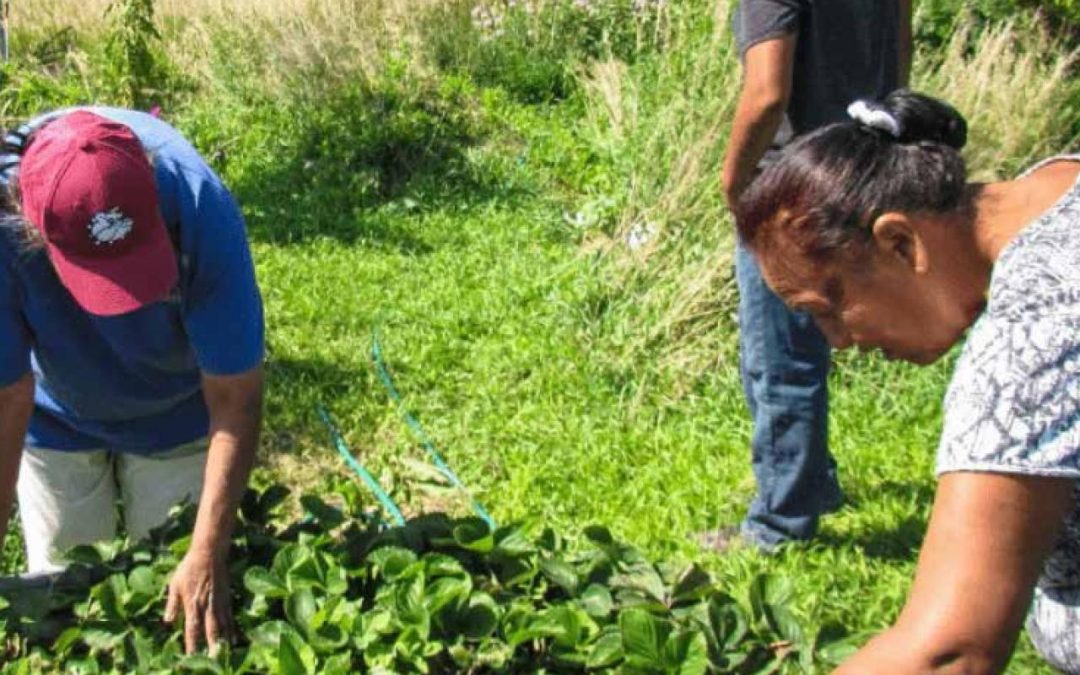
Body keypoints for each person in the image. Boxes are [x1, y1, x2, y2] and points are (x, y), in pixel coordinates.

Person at [735, 88, 1080, 672]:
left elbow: (948, 653)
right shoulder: (1057, 183)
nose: (838, 341)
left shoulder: (1029, 343)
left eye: (827, 307)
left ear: (899, 241)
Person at [0, 108, 265, 654]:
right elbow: (7, 397)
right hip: (56, 420)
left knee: (175, 599)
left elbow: (235, 397)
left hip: (178, 415)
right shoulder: (4, 231)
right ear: (31, 228)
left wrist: (207, 551)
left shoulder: (198, 204)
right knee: (65, 604)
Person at [713, 0, 912, 549]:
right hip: (857, 166)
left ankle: (780, 523)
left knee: (777, 358)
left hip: (792, 187)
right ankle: (814, 483)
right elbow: (900, 44)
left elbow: (767, 93)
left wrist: (735, 183)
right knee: (804, 345)